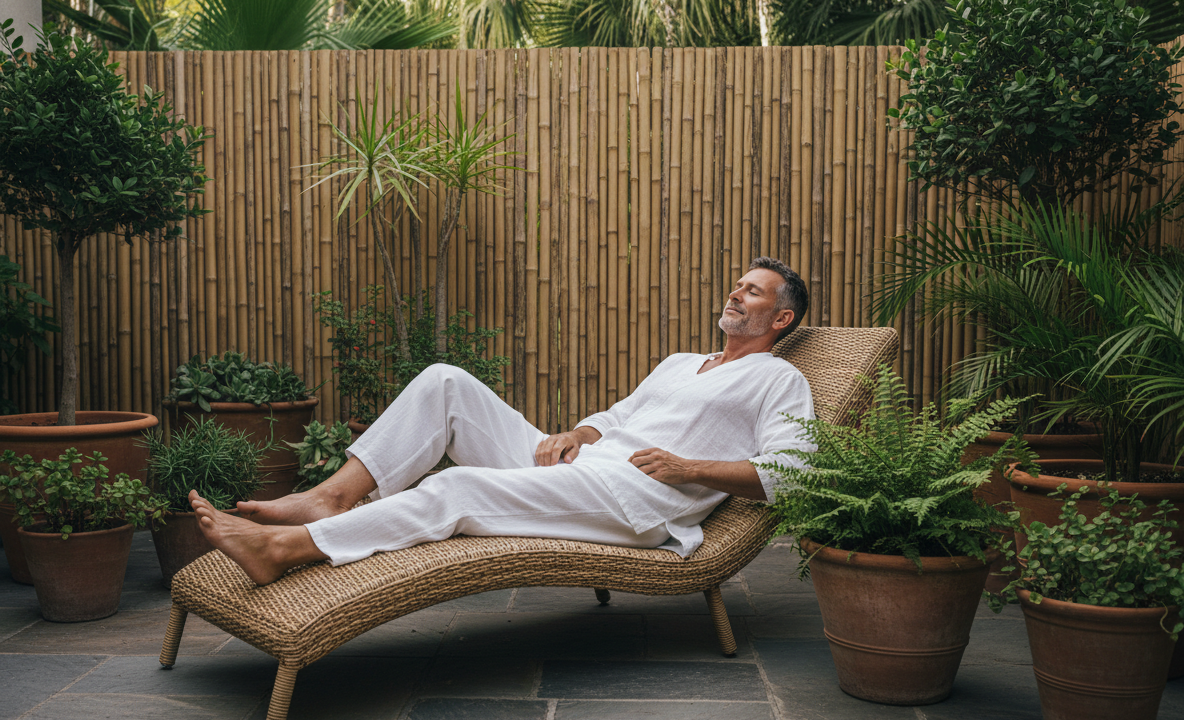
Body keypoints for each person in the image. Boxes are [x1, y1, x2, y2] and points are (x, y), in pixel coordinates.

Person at [189, 256, 815, 586]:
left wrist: (690, 469)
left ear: (781, 319)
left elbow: (793, 472)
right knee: (444, 381)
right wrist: (576, 433)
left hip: (635, 500)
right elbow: (618, 415)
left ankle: (284, 549)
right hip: (581, 466)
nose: (736, 294)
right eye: (737, 285)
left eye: (754, 292)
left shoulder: (778, 379)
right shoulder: (683, 362)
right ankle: (327, 500)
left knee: (454, 488)